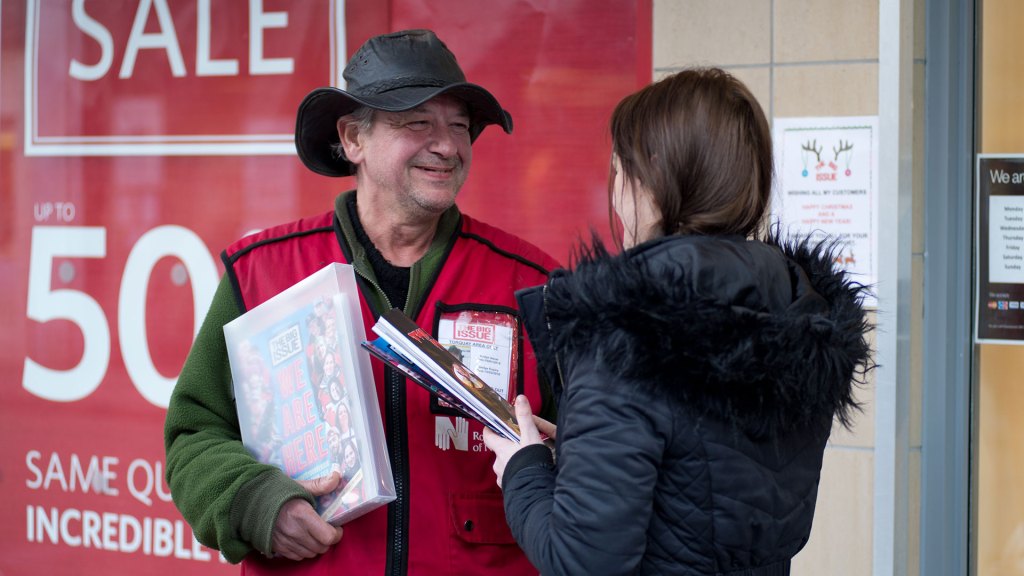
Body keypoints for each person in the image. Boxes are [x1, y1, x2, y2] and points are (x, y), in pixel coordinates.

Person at [164, 29, 559, 574]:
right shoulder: (260, 274)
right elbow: (194, 433)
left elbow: (600, 460)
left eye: (460, 126)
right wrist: (253, 501)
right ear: (353, 139)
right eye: (418, 122)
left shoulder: (532, 286)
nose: (447, 145)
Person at [482, 67, 873, 575]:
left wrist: (524, 469)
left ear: (650, 182)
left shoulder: (625, 330)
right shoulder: (797, 313)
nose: (617, 193)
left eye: (619, 171)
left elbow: (582, 561)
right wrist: (585, 450)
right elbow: (703, 483)